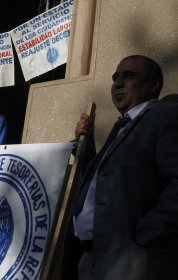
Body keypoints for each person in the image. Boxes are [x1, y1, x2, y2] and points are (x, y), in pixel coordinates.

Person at [63, 55, 178, 280]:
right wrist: (84, 143)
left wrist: (150, 233)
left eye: (129, 76)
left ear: (153, 84)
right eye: (115, 77)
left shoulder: (165, 116)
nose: (117, 82)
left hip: (130, 259)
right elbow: (103, 179)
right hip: (90, 257)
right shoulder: (122, 126)